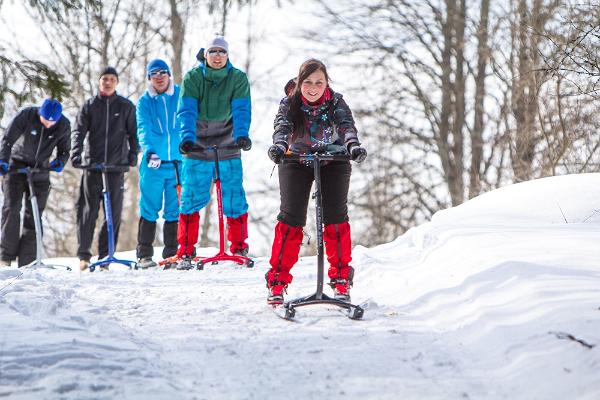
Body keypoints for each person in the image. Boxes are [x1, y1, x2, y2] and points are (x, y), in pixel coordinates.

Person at [265, 59, 367, 305]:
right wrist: (279, 146)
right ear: (300, 83)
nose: (313, 88)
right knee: (291, 219)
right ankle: (277, 282)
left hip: (333, 160)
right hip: (296, 159)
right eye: (308, 82)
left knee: (336, 218)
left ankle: (341, 281)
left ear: (326, 83)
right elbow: (282, 126)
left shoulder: (336, 101)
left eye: (319, 82)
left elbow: (346, 126)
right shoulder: (290, 103)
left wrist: (353, 146)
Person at [175, 34, 252, 269]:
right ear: (205, 55)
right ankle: (186, 249)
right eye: (213, 52)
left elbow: (241, 109)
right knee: (190, 197)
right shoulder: (193, 77)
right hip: (197, 142)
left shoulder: (237, 78)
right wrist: (186, 138)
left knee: (234, 196)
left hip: (228, 141)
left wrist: (241, 134)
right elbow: (186, 110)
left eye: (222, 52)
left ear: (227, 56)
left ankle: (238, 246)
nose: (217, 56)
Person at [71, 66, 138, 271]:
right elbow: (79, 132)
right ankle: (84, 256)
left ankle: (106, 255)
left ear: (116, 82)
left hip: (116, 168)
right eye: (104, 79)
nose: (107, 82)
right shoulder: (90, 106)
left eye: (111, 79)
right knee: (87, 212)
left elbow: (134, 133)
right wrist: (76, 154)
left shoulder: (125, 106)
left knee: (113, 213)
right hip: (93, 167)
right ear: (99, 82)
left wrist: (133, 154)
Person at [0, 99, 71, 267]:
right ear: (40, 113)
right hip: (16, 167)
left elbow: (64, 150)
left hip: (41, 170)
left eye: (52, 121)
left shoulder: (63, 125)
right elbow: (8, 139)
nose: (48, 123)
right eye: (46, 119)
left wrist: (60, 162)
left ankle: (28, 260)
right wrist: (3, 160)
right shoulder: (27, 115)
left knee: (34, 214)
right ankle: (5, 257)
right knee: (12, 209)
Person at [135, 59, 181, 269]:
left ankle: (172, 253)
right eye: (155, 74)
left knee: (175, 208)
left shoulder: (179, 94)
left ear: (169, 75)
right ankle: (144, 254)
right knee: (149, 207)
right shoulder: (145, 101)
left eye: (163, 72)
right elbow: (143, 128)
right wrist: (150, 151)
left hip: (178, 163)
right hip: (154, 163)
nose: (160, 77)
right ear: (149, 78)